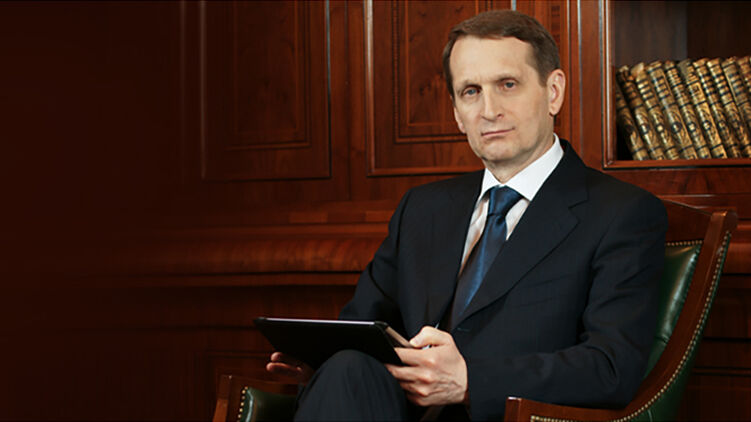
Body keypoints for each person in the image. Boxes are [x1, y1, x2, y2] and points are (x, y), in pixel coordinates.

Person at [267, 9, 667, 421]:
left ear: (553, 92)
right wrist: (321, 364)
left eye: (507, 85)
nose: (488, 110)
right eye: (471, 91)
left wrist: (471, 381)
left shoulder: (622, 214)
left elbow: (610, 368)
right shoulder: (421, 209)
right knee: (347, 369)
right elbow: (361, 328)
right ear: (457, 112)